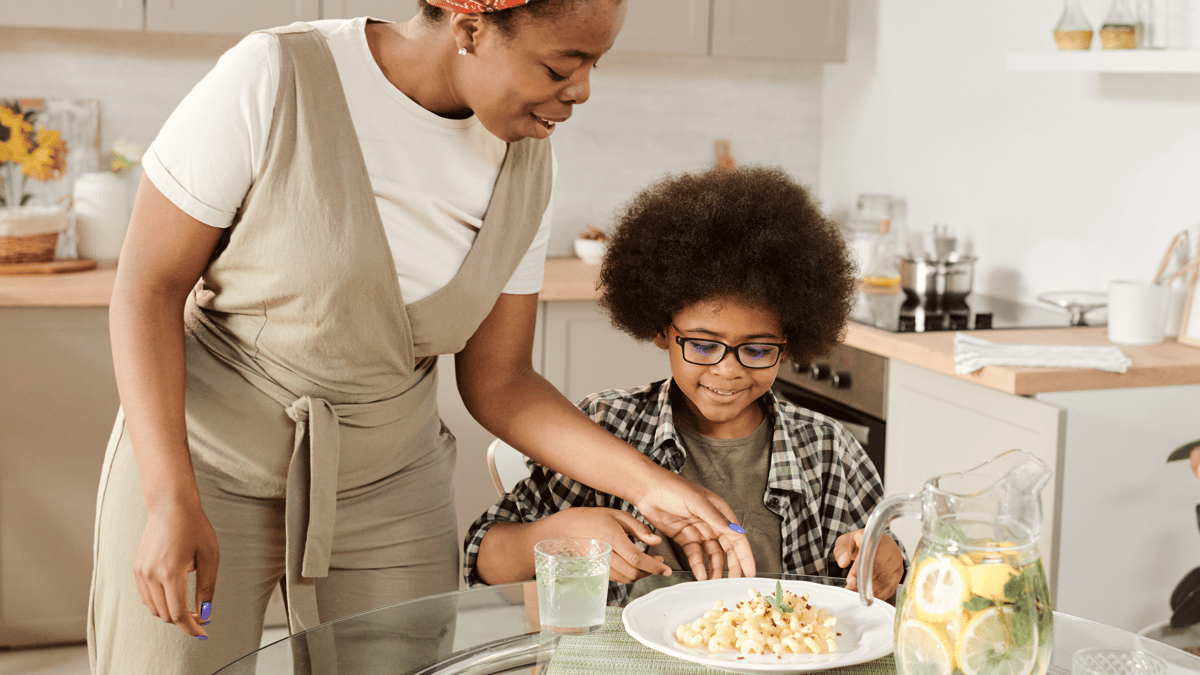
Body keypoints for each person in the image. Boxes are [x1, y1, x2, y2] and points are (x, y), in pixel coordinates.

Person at [87, 2, 756, 673]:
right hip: (205, 464)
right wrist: (168, 499)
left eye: (593, 66)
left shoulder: (528, 164)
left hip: (390, 484)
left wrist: (652, 486)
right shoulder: (274, 76)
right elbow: (147, 289)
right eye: (561, 67)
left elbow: (500, 381)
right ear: (470, 29)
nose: (581, 91)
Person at [464, 166, 908, 603]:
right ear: (662, 329)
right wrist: (555, 538)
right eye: (702, 345)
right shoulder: (603, 427)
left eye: (757, 350)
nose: (728, 370)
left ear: (789, 344)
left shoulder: (830, 452)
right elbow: (481, 557)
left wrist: (886, 561)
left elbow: (885, 568)